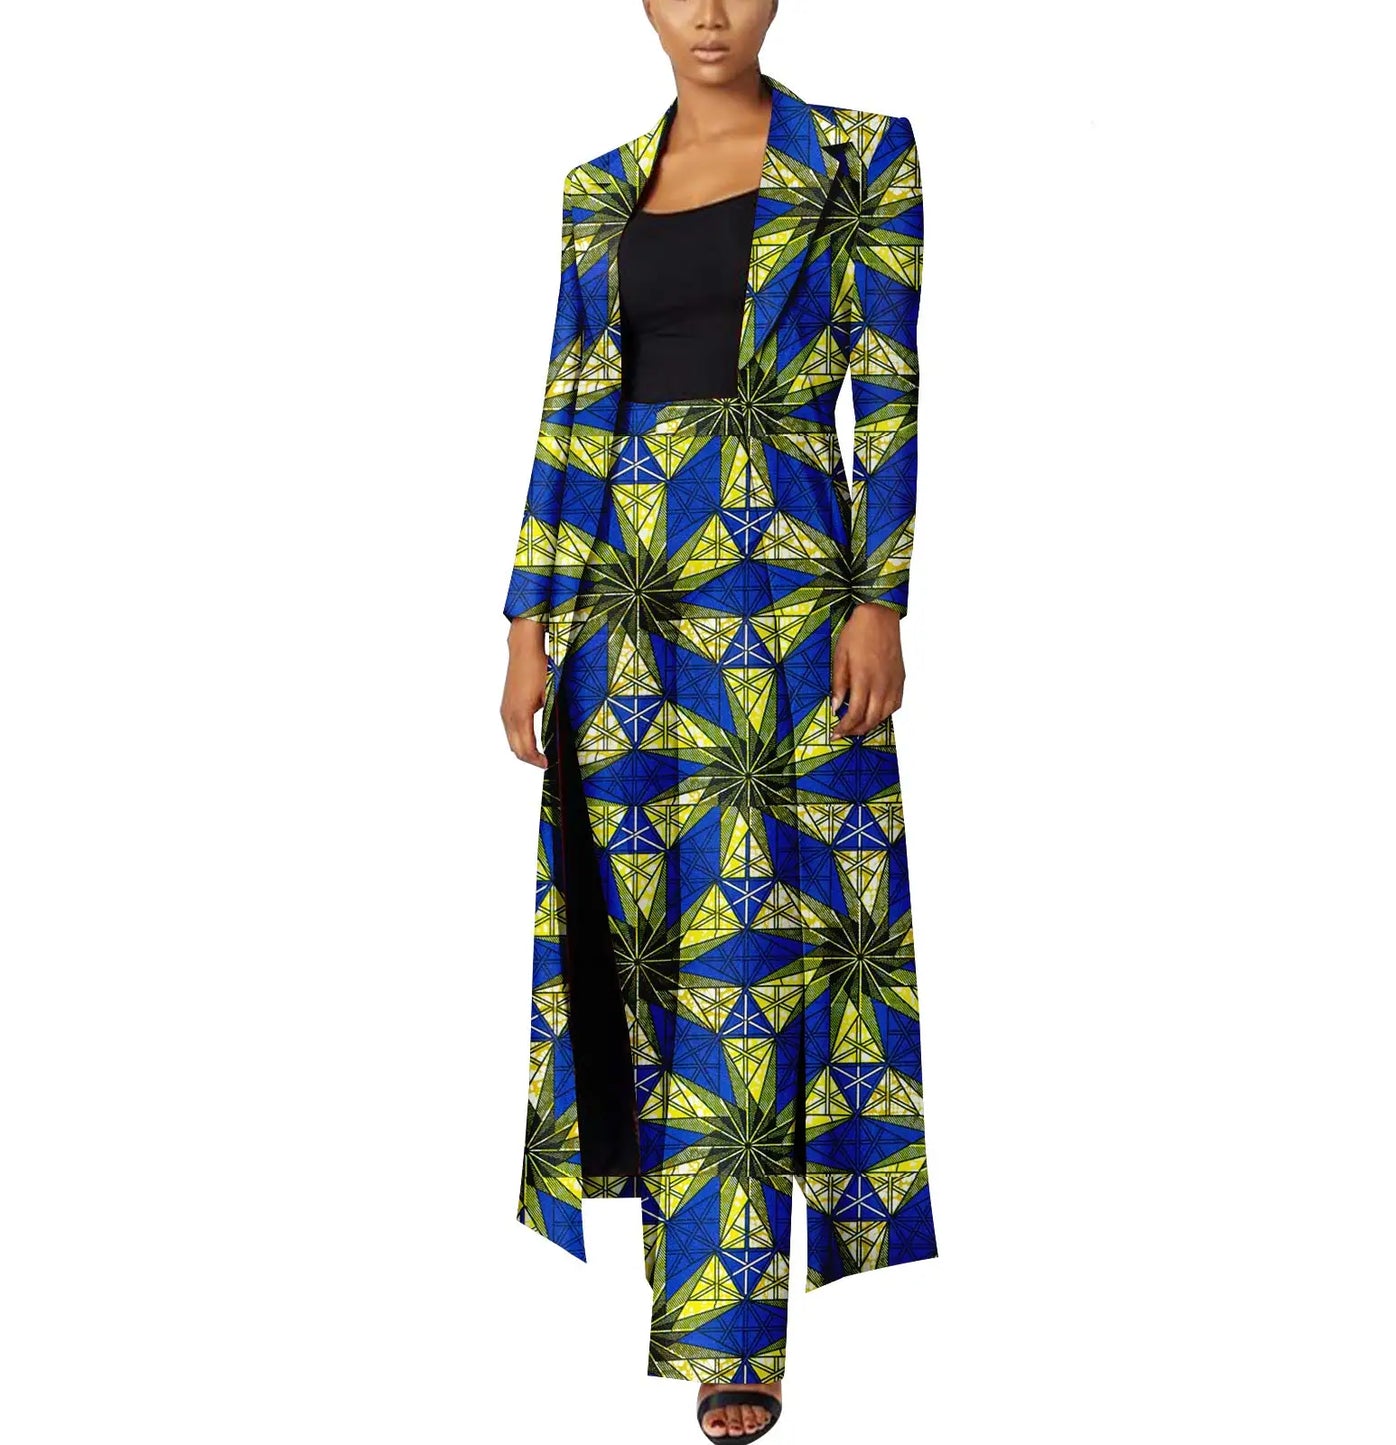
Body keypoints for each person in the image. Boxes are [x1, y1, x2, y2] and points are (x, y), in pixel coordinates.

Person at [500, 3, 939, 1437]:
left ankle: (735, 1340)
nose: (709, 13)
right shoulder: (595, 188)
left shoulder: (861, 155)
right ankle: (693, 1299)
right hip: (622, 601)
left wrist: (880, 596)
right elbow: (570, 409)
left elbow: (890, 393)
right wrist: (526, 622)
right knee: (641, 950)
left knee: (753, 940)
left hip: (785, 598)